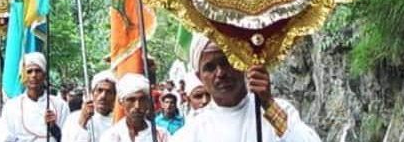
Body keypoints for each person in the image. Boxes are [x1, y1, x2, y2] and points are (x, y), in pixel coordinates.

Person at [185, 34, 321, 142]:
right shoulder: (193, 132)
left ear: (243, 64)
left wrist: (268, 104)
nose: (220, 73)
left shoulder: (278, 110)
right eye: (210, 68)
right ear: (199, 77)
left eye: (227, 62)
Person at [0, 53, 69, 142]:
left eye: (38, 71)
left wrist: (54, 128)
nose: (33, 75)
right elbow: (6, 138)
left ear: (44, 75)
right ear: (23, 76)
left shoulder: (60, 105)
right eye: (29, 71)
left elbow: (69, 137)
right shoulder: (11, 107)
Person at [99, 74, 168, 142]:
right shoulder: (111, 136)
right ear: (121, 103)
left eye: (142, 100)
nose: (137, 106)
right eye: (131, 100)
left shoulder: (161, 135)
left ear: (147, 102)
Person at [61, 70, 116, 142]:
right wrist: (82, 122)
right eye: (99, 90)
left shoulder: (117, 121)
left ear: (114, 97)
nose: (103, 96)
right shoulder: (73, 118)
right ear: (92, 93)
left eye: (108, 92)